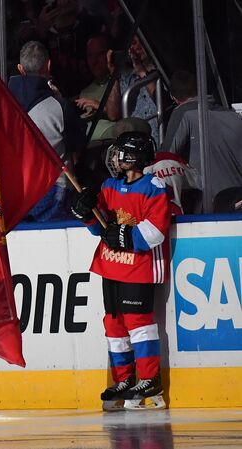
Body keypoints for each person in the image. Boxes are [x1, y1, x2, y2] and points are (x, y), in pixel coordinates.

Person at [71, 131, 171, 411]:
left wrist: (124, 236)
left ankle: (150, 379)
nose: (114, 158)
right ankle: (124, 379)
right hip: (109, 266)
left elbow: (156, 230)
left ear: (134, 157)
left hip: (138, 268)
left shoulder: (154, 186)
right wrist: (85, 211)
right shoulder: (109, 185)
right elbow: (98, 228)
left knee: (139, 325)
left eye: (119, 153)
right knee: (114, 326)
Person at [8, 40, 86, 220]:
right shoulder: (58, 106)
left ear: (20, 68)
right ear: (49, 65)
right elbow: (78, 143)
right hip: (53, 191)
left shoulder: (3, 105)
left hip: (14, 191)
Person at [162, 70, 242, 208]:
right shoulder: (234, 116)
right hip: (238, 201)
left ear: (173, 98)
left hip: (211, 207)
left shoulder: (182, 113)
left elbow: (164, 158)